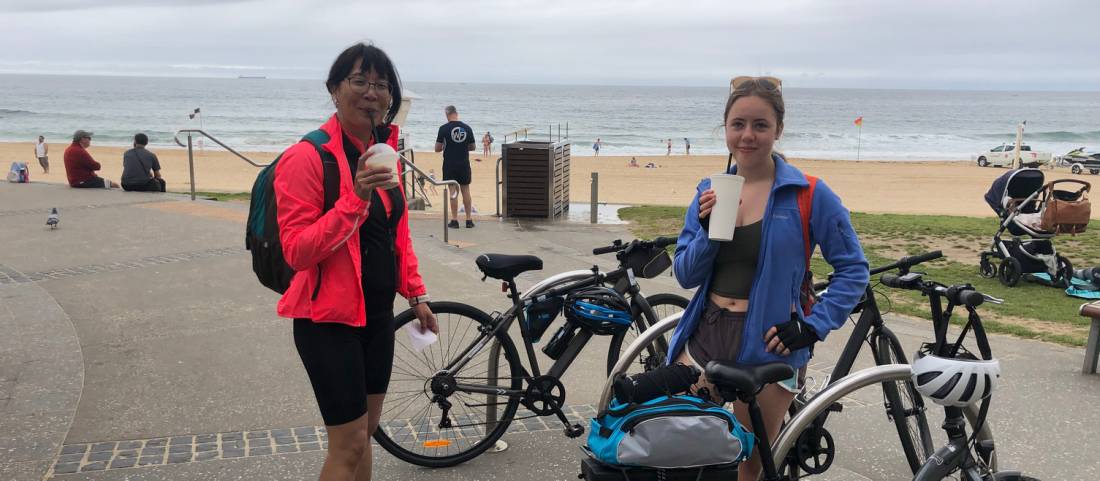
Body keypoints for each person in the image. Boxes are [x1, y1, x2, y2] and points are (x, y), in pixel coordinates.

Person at [667, 76, 868, 481]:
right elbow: (686, 274)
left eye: (760, 125)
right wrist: (706, 233)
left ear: (778, 129)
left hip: (771, 345)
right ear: (725, 128)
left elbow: (854, 269)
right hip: (707, 335)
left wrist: (812, 327)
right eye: (738, 124)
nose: (748, 135)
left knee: (748, 469)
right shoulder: (709, 190)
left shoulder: (809, 193)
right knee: (682, 453)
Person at [272, 42, 438, 481]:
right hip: (327, 322)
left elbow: (396, 234)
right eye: (359, 81)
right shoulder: (306, 158)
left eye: (381, 85)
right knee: (346, 444)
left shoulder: (383, 153)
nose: (371, 92)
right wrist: (356, 198)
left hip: (378, 317)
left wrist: (415, 292)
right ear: (334, 89)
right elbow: (298, 250)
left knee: (366, 434)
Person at [435, 105, 476, 228]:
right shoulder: (467, 128)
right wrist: (462, 146)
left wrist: (446, 146)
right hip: (464, 163)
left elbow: (437, 148)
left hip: (449, 164)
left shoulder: (443, 129)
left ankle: (454, 220)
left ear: (447, 114)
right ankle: (469, 220)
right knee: (466, 190)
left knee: (453, 191)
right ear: (456, 113)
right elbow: (473, 147)